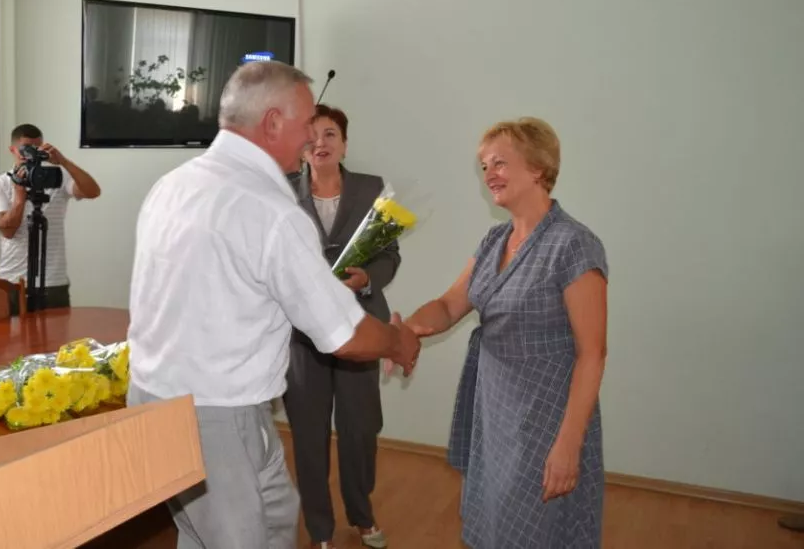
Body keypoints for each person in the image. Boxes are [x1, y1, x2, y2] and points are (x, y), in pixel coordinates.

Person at [126, 61, 421, 549]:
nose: (311, 138)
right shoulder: (270, 209)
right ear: (273, 123)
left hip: (155, 400)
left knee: (268, 517)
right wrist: (398, 342)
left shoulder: (173, 185)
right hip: (214, 414)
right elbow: (344, 334)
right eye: (307, 124)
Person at [403, 117, 608, 549]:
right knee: (495, 523)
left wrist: (569, 445)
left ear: (538, 168)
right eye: (484, 166)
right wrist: (406, 331)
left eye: (499, 163)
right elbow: (448, 306)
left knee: (538, 530)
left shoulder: (573, 245)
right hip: (495, 415)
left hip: (547, 419)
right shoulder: (494, 240)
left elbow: (592, 354)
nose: (489, 174)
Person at [283, 104, 398, 549]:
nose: (320, 143)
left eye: (330, 134)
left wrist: (367, 278)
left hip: (360, 327)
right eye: (311, 136)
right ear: (302, 147)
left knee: (360, 429)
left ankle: (362, 516)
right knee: (309, 436)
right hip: (303, 336)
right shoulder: (281, 191)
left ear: (344, 144)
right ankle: (319, 531)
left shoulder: (372, 188)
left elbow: (389, 255)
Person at [0, 123, 101, 315]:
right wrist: (19, 196)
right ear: (12, 150)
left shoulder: (56, 178)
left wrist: (63, 161)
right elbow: (7, 231)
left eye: (37, 149)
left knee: (57, 335)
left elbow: (93, 191)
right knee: (11, 336)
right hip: (13, 280)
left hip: (53, 281)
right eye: (26, 149)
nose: (32, 155)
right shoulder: (0, 184)